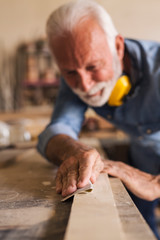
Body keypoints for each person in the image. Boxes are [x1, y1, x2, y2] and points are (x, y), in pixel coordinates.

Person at [37, 0, 160, 238]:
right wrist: (73, 150)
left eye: (93, 66)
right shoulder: (77, 71)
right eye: (70, 72)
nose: (84, 85)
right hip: (141, 158)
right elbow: (59, 128)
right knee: (138, 226)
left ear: (118, 47)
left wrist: (156, 184)